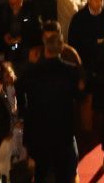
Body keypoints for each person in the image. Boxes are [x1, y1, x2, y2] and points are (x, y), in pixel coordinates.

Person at [22, 30, 84, 183]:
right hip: (63, 129)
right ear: (61, 48)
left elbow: (23, 95)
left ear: (45, 48)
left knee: (41, 171)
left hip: (39, 128)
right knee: (63, 172)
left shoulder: (33, 71)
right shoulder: (71, 71)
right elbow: (79, 97)